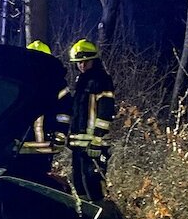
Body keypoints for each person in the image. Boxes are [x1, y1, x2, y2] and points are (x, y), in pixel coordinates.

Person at [61, 38, 115, 201]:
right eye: (79, 63)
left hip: (95, 144)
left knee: (93, 183)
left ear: (93, 60)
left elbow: (105, 112)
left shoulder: (102, 80)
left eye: (86, 62)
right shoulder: (81, 81)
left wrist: (97, 139)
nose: (82, 66)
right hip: (80, 144)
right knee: (79, 183)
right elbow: (78, 113)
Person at [7, 40, 62, 185]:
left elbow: (65, 113)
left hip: (33, 145)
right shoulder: (20, 81)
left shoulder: (55, 84)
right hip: (25, 145)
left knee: (34, 184)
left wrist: (60, 135)